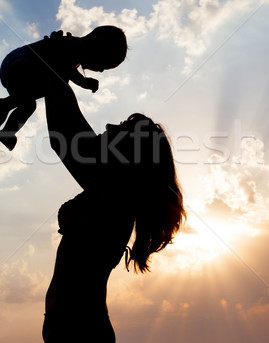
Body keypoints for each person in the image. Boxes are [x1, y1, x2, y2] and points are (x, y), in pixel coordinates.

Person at [41, 33, 186, 343]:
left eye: (120, 129)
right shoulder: (112, 187)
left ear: (129, 153)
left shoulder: (113, 192)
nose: (108, 127)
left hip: (81, 332)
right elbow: (66, 130)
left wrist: (56, 62)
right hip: (78, 330)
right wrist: (59, 65)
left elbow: (65, 132)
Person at [0, 26, 128, 151]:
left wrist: (83, 82)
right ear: (99, 47)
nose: (101, 70)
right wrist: (84, 82)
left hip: (16, 64)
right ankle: (7, 122)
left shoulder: (74, 49)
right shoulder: (73, 45)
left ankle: (6, 108)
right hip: (21, 61)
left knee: (33, 98)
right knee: (31, 101)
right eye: (104, 65)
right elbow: (66, 68)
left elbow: (66, 69)